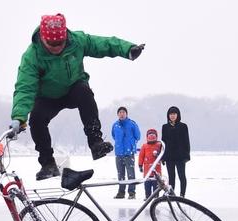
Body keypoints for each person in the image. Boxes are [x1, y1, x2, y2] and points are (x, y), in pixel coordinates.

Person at [10, 13, 145, 180]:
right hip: (47, 97)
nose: (57, 47)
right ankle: (47, 163)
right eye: (52, 44)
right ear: (43, 39)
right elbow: (25, 88)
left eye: (60, 43)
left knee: (85, 93)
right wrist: (18, 116)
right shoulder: (32, 56)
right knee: (36, 120)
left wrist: (127, 49)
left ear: (65, 36)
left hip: (73, 89)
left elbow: (103, 44)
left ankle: (96, 142)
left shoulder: (77, 41)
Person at [161, 106, 190, 197]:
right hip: (169, 156)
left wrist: (186, 156)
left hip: (180, 156)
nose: (172, 116)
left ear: (178, 115)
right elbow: (163, 142)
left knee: (182, 176)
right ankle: (171, 194)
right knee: (171, 177)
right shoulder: (165, 127)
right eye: (171, 114)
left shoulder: (183, 126)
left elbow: (186, 142)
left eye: (174, 114)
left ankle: (182, 194)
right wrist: (163, 157)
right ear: (168, 115)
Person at [112, 106, 140, 199]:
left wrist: (131, 144)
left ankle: (132, 193)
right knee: (120, 174)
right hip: (119, 153)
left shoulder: (132, 124)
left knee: (131, 174)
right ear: (117, 114)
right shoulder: (115, 125)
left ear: (126, 114)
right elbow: (114, 136)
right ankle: (121, 193)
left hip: (129, 153)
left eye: (123, 112)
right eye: (120, 112)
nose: (121, 114)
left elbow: (138, 136)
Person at [138, 128, 162, 199]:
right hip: (147, 170)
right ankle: (147, 196)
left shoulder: (159, 145)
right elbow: (141, 156)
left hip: (156, 169)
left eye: (153, 135)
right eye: (150, 134)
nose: (151, 136)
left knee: (156, 183)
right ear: (147, 137)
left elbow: (162, 154)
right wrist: (140, 165)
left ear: (156, 136)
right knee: (147, 184)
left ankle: (156, 196)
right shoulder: (144, 146)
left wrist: (160, 157)